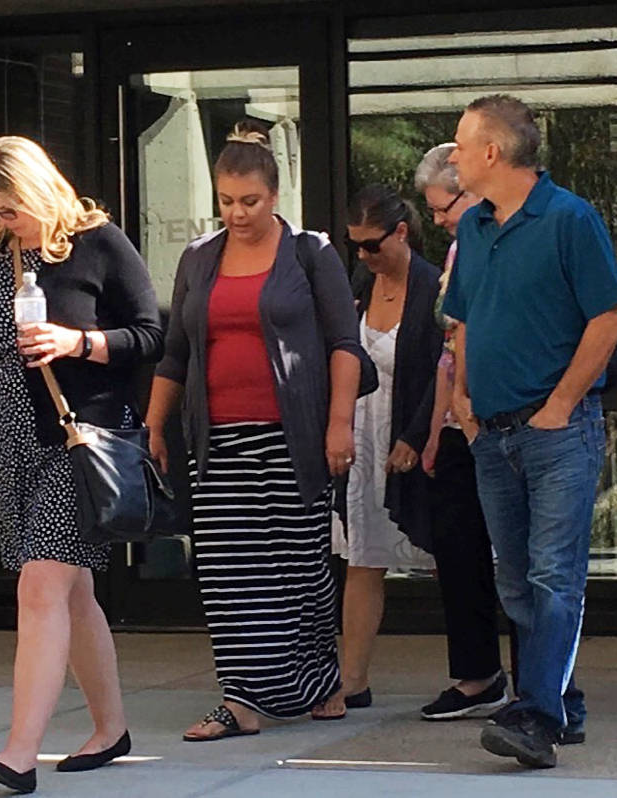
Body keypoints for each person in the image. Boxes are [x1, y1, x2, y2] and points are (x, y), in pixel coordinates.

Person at [0, 136, 164, 794]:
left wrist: (78, 342)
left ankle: (19, 753)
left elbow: (150, 332)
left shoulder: (98, 240)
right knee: (71, 591)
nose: (5, 225)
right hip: (6, 437)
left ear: (37, 189)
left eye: (11, 210)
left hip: (76, 438)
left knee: (39, 587)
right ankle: (110, 728)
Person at [146, 122, 363, 741]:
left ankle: (319, 678)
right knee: (230, 570)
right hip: (217, 439)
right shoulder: (198, 258)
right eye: (226, 201)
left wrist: (339, 425)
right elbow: (175, 353)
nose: (237, 214)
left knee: (298, 565)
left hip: (294, 435)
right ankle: (242, 699)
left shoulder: (310, 253)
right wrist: (156, 424)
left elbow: (344, 343)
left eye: (250, 201)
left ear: (275, 196)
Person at [442, 95, 617, 768]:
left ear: (493, 152)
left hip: (556, 434)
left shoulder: (569, 219)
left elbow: (608, 319)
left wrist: (560, 403)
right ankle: (561, 701)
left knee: (553, 576)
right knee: (517, 581)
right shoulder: (474, 231)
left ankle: (538, 716)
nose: (452, 155)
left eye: (460, 144)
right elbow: (460, 320)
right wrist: (461, 397)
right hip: (491, 434)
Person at [322, 185, 442, 717]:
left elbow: (443, 370)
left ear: (401, 232)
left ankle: (480, 671)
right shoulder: (358, 284)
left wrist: (415, 437)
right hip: (364, 434)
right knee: (362, 558)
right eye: (355, 247)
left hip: (416, 427)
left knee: (451, 556)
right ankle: (354, 678)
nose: (365, 256)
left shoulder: (432, 284)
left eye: (372, 244)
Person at [411, 144, 510, 720]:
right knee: (456, 550)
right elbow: (447, 351)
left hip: (498, 417)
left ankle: (540, 685)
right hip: (455, 422)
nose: (440, 219)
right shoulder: (459, 248)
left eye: (443, 206)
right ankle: (476, 675)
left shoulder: (499, 239)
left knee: (520, 560)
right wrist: (434, 431)